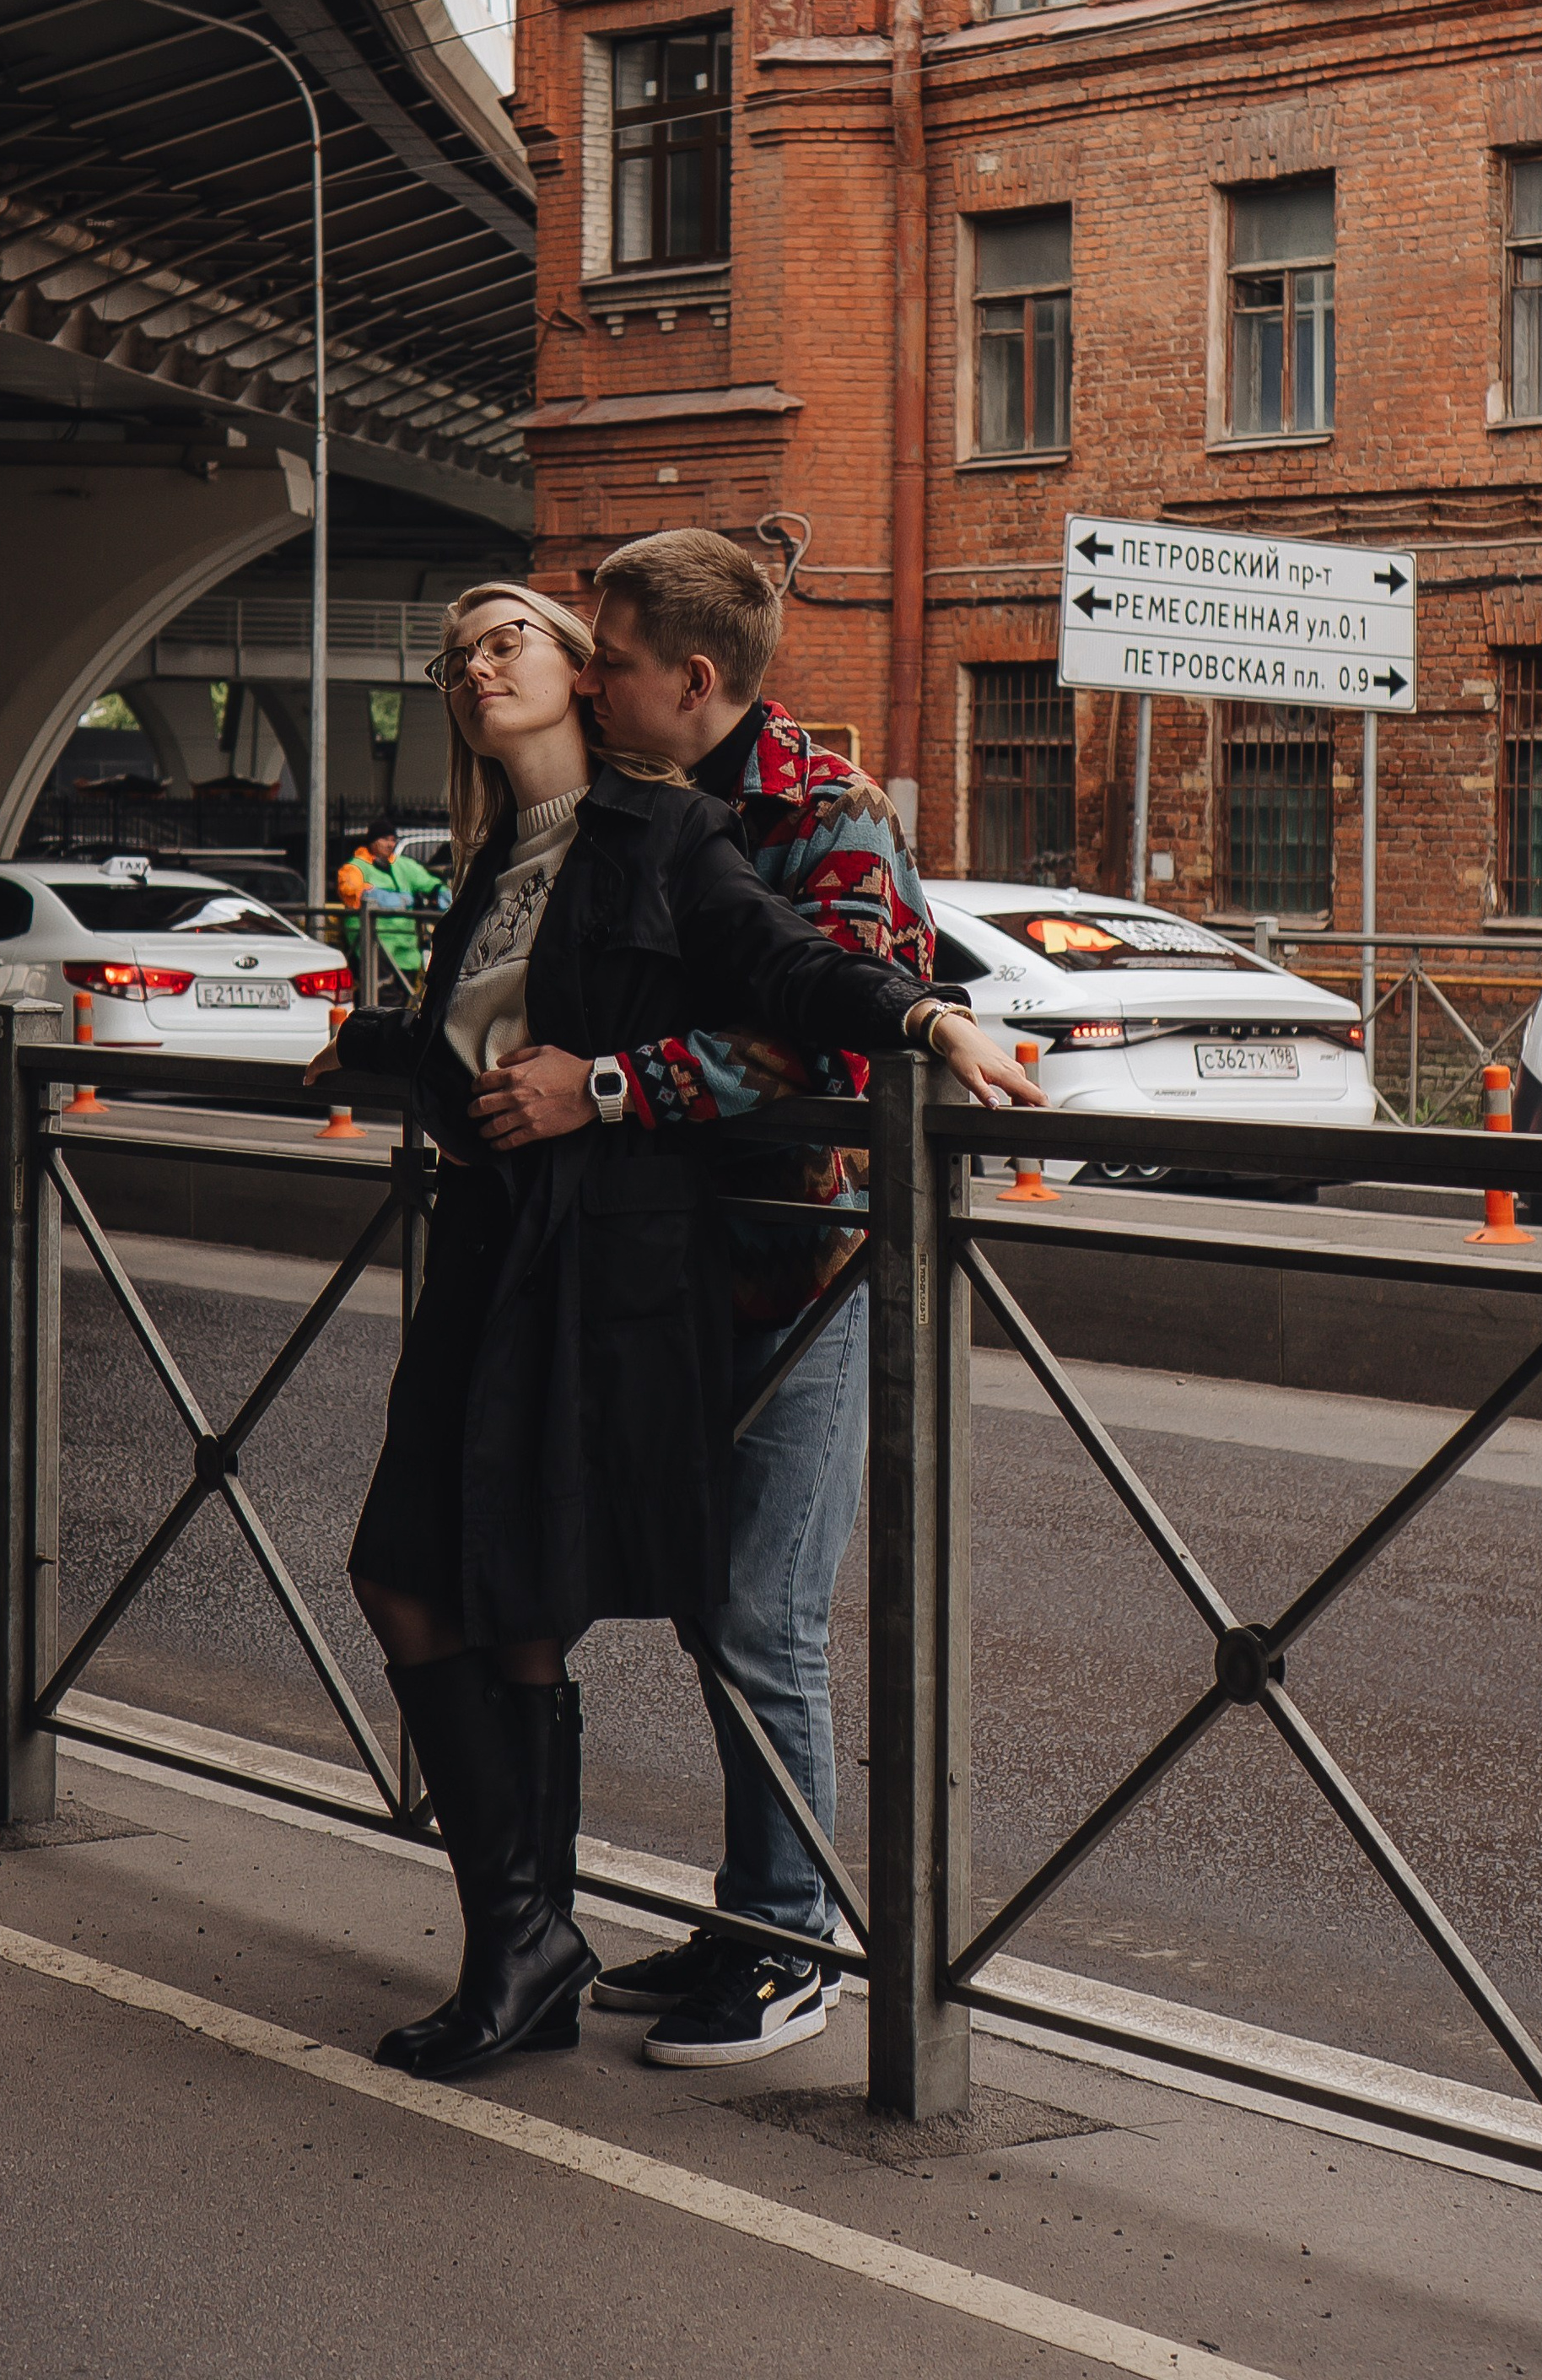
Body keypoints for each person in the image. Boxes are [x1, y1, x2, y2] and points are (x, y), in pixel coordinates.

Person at [311, 583, 1041, 2085]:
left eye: (510, 638)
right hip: (506, 1258)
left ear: (595, 678)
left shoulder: (674, 829)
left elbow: (791, 972)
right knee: (422, 1572)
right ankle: (532, 1936)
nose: (476, 663)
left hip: (675, 1263)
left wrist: (928, 1020)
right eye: (455, 652)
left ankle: (646, 1943)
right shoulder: (493, 862)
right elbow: (495, 1038)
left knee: (619, 1600)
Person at [461, 530, 931, 2070]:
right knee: (701, 1602)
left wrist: (613, 1087)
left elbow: (847, 1048)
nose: (587, 681)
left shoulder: (829, 814)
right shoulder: (627, 806)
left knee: (761, 1617)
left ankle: (795, 1949)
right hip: (665, 1266)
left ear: (696, 681)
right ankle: (750, 1909)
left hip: (809, 1263)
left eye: (610, 663)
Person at [336, 823, 444, 990]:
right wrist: (392, 899)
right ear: (372, 842)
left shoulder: (403, 865)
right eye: (385, 839)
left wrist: (441, 892)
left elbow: (428, 883)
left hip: (406, 948)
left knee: (405, 996)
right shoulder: (355, 868)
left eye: (393, 840)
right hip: (374, 945)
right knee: (382, 997)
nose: (390, 844)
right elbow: (352, 892)